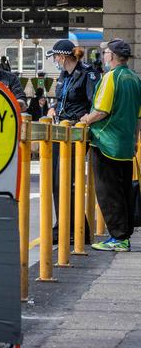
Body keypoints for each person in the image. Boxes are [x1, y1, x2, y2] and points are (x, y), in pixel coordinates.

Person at [80, 39, 141, 252]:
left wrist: (85, 119)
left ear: (112, 56)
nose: (103, 56)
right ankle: (123, 236)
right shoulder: (134, 79)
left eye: (105, 52)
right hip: (125, 146)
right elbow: (137, 116)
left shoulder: (111, 78)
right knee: (123, 192)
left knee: (108, 193)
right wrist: (134, 140)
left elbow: (101, 111)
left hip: (106, 143)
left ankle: (118, 238)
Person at [46, 39, 99, 242]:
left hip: (76, 132)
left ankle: (77, 230)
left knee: (67, 181)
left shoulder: (88, 74)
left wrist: (83, 121)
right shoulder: (64, 75)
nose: (56, 61)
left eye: (56, 57)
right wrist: (52, 108)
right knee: (56, 181)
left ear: (63, 56)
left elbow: (94, 102)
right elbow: (61, 99)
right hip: (61, 131)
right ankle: (63, 226)